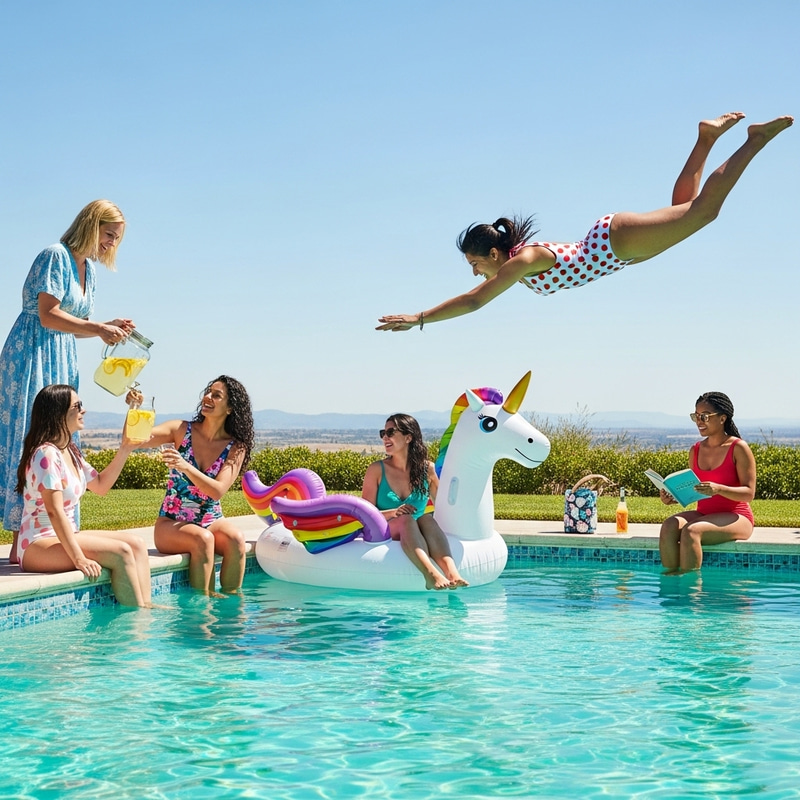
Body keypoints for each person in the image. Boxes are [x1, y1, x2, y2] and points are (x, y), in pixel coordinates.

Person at [377, 113, 793, 331]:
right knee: (685, 210)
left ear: (492, 252)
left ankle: (753, 140)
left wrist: (420, 318)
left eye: (475, 262)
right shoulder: (518, 263)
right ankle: (705, 137)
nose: (475, 271)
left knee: (703, 212)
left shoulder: (521, 262)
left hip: (614, 243)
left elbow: (473, 301)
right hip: (618, 252)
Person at [0, 200, 134, 563]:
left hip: (61, 354)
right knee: (31, 434)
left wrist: (109, 327)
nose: (111, 244)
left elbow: (70, 323)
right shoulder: (54, 255)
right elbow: (47, 315)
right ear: (91, 225)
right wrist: (97, 328)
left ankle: (44, 537)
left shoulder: (87, 268)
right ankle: (20, 542)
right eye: (109, 235)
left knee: (59, 436)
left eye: (116, 239)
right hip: (32, 353)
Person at [15, 384, 152, 607]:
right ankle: (135, 624)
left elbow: (100, 485)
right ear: (58, 413)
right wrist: (79, 557)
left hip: (63, 536)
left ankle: (146, 607)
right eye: (77, 406)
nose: (83, 410)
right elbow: (54, 511)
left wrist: (125, 447)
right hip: (37, 544)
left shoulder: (70, 451)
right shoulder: (46, 454)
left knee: (136, 544)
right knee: (121, 553)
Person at [145, 376, 254, 594]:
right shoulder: (180, 430)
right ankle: (201, 610)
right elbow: (135, 439)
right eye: (207, 392)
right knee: (203, 540)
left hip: (211, 520)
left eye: (216, 395)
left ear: (230, 408)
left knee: (236, 540)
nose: (207, 397)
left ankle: (230, 612)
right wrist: (135, 408)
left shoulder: (236, 447)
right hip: (172, 523)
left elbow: (217, 491)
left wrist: (185, 466)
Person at [362, 414, 469, 590]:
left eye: (390, 432)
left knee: (426, 518)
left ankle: (452, 573)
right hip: (387, 526)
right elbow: (366, 514)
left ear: (408, 437)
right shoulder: (376, 470)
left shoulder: (428, 469)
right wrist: (394, 512)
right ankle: (430, 574)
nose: (385, 438)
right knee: (407, 519)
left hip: (419, 527)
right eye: (383, 433)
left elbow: (444, 506)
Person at [658, 392, 756, 573]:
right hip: (704, 513)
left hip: (737, 516)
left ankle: (691, 594)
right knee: (669, 526)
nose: (699, 421)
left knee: (692, 531)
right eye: (696, 416)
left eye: (704, 416)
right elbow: (695, 489)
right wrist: (673, 497)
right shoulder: (696, 450)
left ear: (722, 418)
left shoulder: (738, 447)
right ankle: (671, 589)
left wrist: (719, 489)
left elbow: (749, 493)